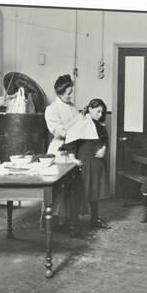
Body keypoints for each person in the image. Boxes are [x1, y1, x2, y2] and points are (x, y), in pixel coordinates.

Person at [60, 99, 111, 230]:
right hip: (86, 163)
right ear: (90, 109)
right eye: (98, 111)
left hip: (98, 163)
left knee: (95, 191)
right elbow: (70, 142)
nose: (100, 114)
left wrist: (104, 149)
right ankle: (74, 223)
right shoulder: (81, 124)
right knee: (82, 192)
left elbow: (105, 140)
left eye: (102, 112)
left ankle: (95, 219)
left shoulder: (100, 125)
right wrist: (73, 158)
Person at [44, 74, 82, 163]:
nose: (71, 96)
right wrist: (78, 120)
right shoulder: (52, 109)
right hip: (60, 150)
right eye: (68, 93)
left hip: (74, 148)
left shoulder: (72, 106)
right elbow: (60, 133)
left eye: (71, 92)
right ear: (60, 94)